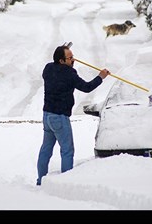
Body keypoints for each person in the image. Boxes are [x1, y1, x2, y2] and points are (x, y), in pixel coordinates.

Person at [36, 45, 110, 186]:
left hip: (47, 116)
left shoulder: (48, 68)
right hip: (60, 118)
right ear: (61, 61)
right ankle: (66, 183)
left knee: (46, 149)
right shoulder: (69, 74)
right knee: (67, 151)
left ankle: (40, 180)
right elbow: (86, 87)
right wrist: (101, 76)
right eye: (70, 58)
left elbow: (56, 69)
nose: (73, 60)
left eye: (73, 56)